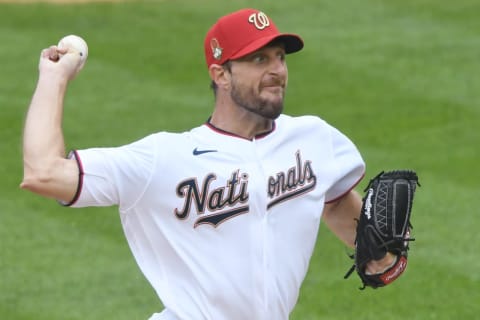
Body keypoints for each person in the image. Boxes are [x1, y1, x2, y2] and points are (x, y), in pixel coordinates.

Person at [21, 8, 396, 320]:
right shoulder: (163, 160)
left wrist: (378, 250)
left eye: (280, 57)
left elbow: (331, 201)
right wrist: (53, 78)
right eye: (258, 59)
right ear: (221, 75)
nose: (277, 70)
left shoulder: (313, 139)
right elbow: (44, 173)